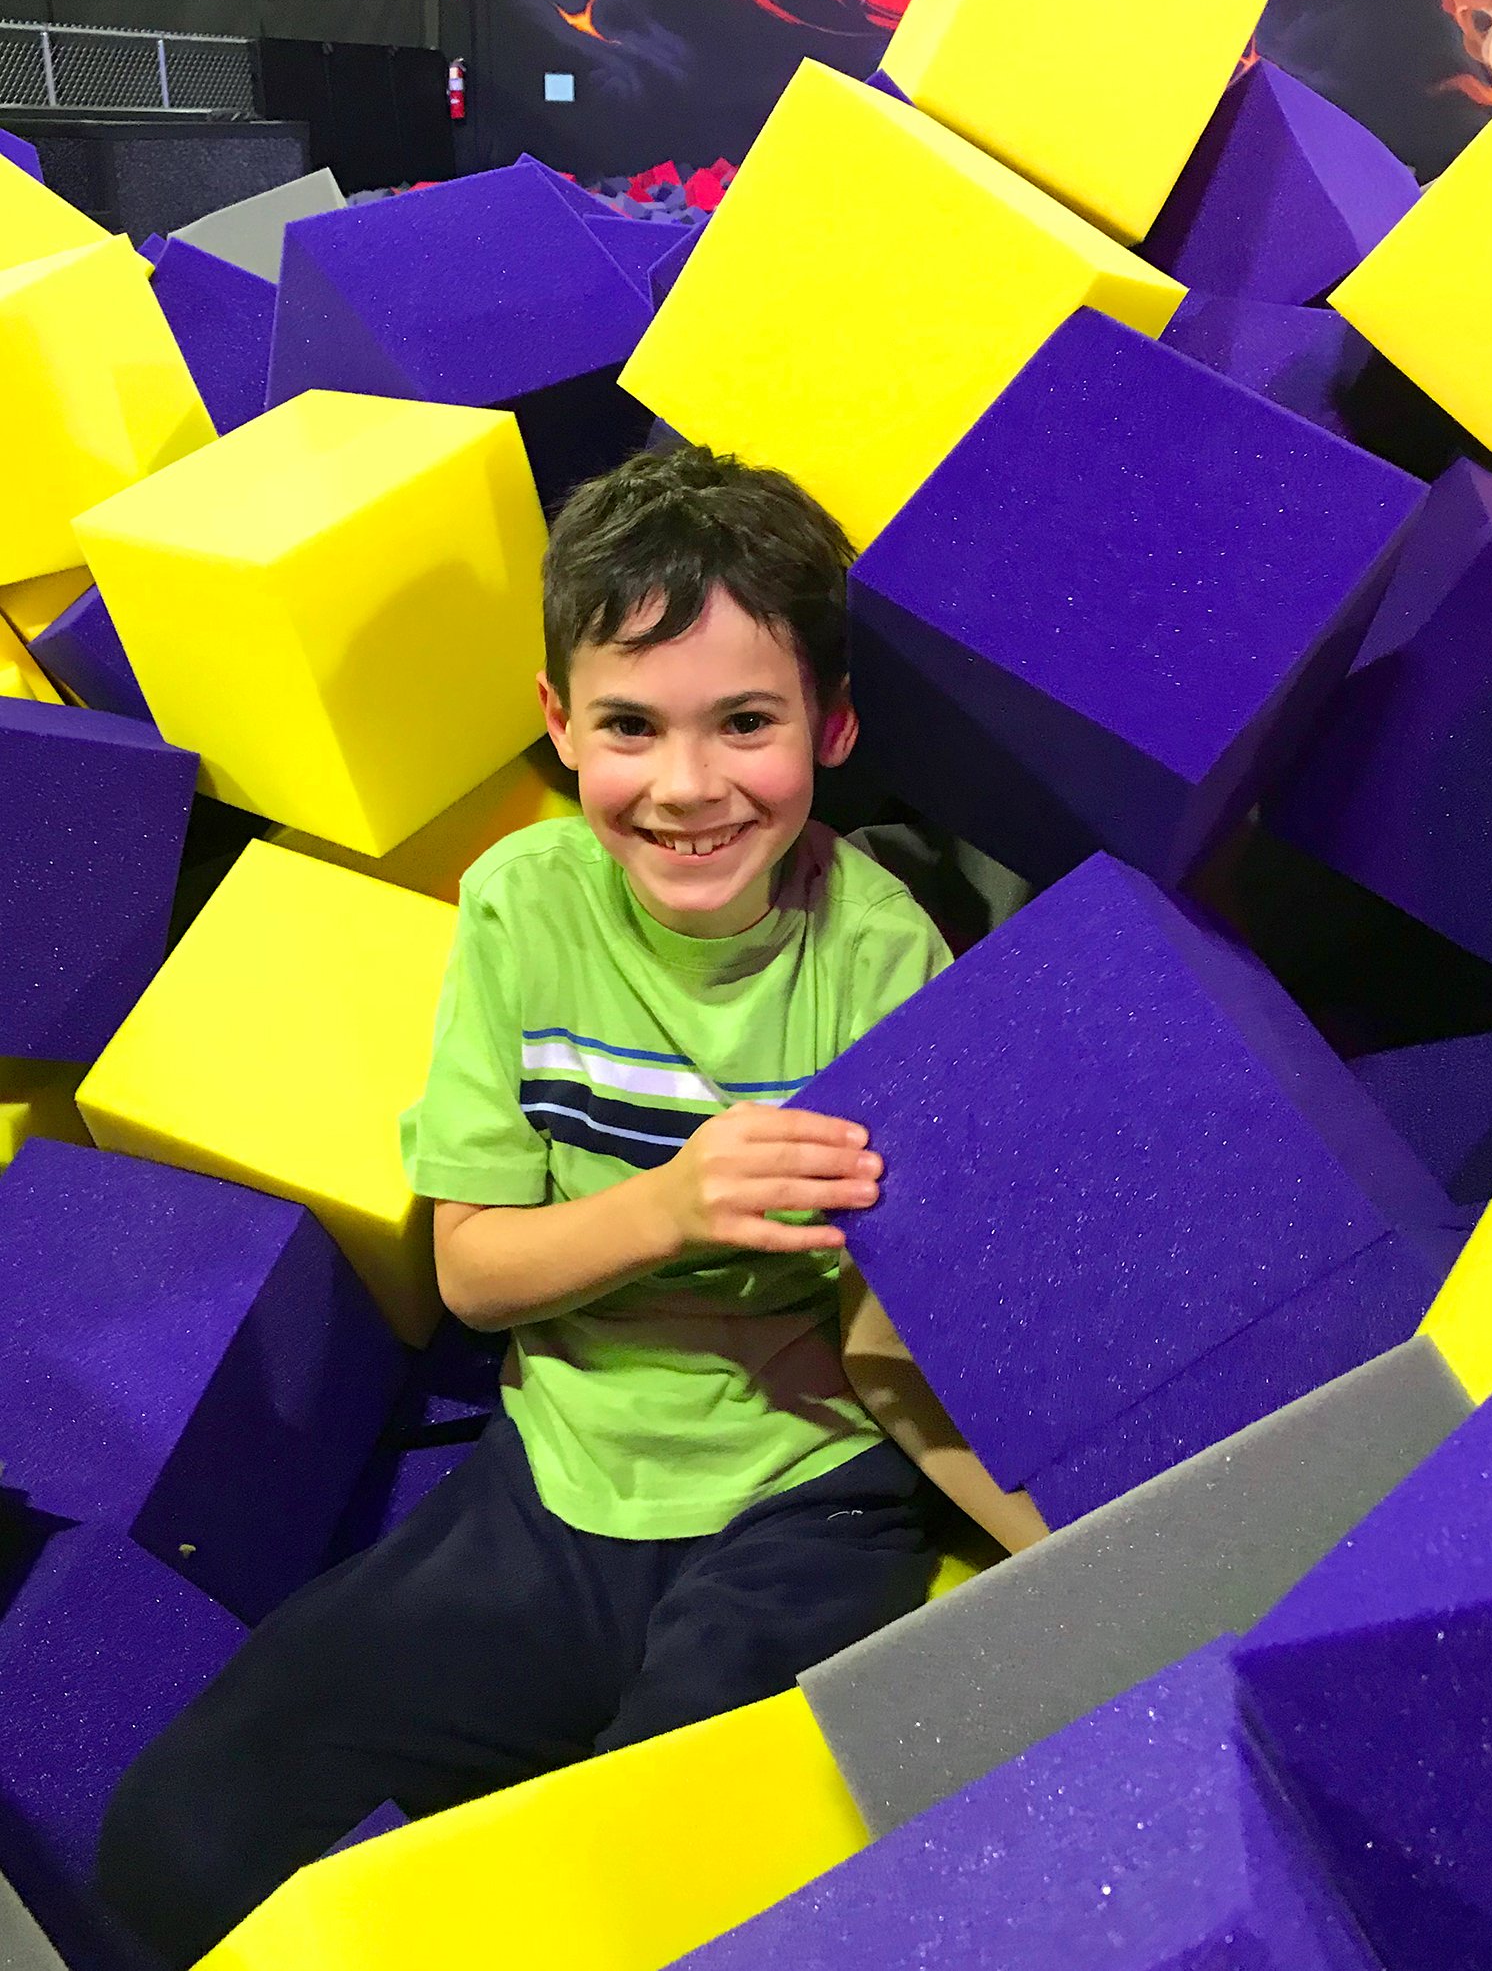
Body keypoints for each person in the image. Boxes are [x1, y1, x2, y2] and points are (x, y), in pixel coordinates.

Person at [97, 445, 1045, 1967]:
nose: (686, 784)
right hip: (555, 1478)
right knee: (171, 1840)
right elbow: (472, 1274)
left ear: (832, 727)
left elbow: (899, 1336)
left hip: (805, 1504)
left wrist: (1050, 1537)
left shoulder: (880, 954)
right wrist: (674, 1205)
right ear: (559, 725)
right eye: (630, 727)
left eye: (746, 722)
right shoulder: (522, 906)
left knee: (652, 1896)